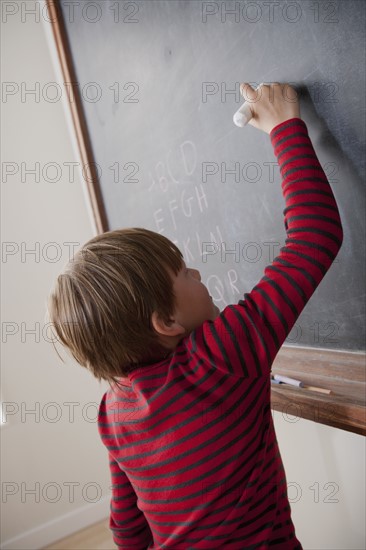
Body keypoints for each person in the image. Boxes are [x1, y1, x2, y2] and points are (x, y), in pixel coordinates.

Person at [47, 82, 343, 549]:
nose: (199, 271)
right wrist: (285, 127)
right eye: (183, 272)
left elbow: (128, 532)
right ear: (165, 323)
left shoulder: (113, 411)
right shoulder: (221, 356)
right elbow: (314, 238)